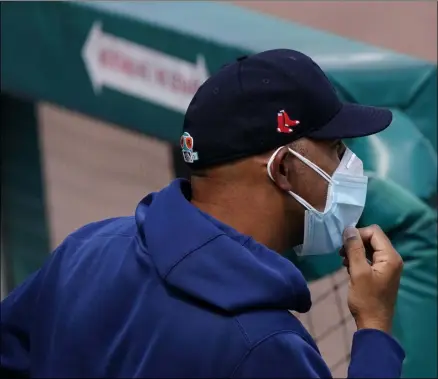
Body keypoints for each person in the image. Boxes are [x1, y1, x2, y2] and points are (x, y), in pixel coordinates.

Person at [1, 49, 405, 378]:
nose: (348, 164)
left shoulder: (86, 251)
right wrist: (374, 331)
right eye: (335, 149)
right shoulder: (265, 348)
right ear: (283, 168)